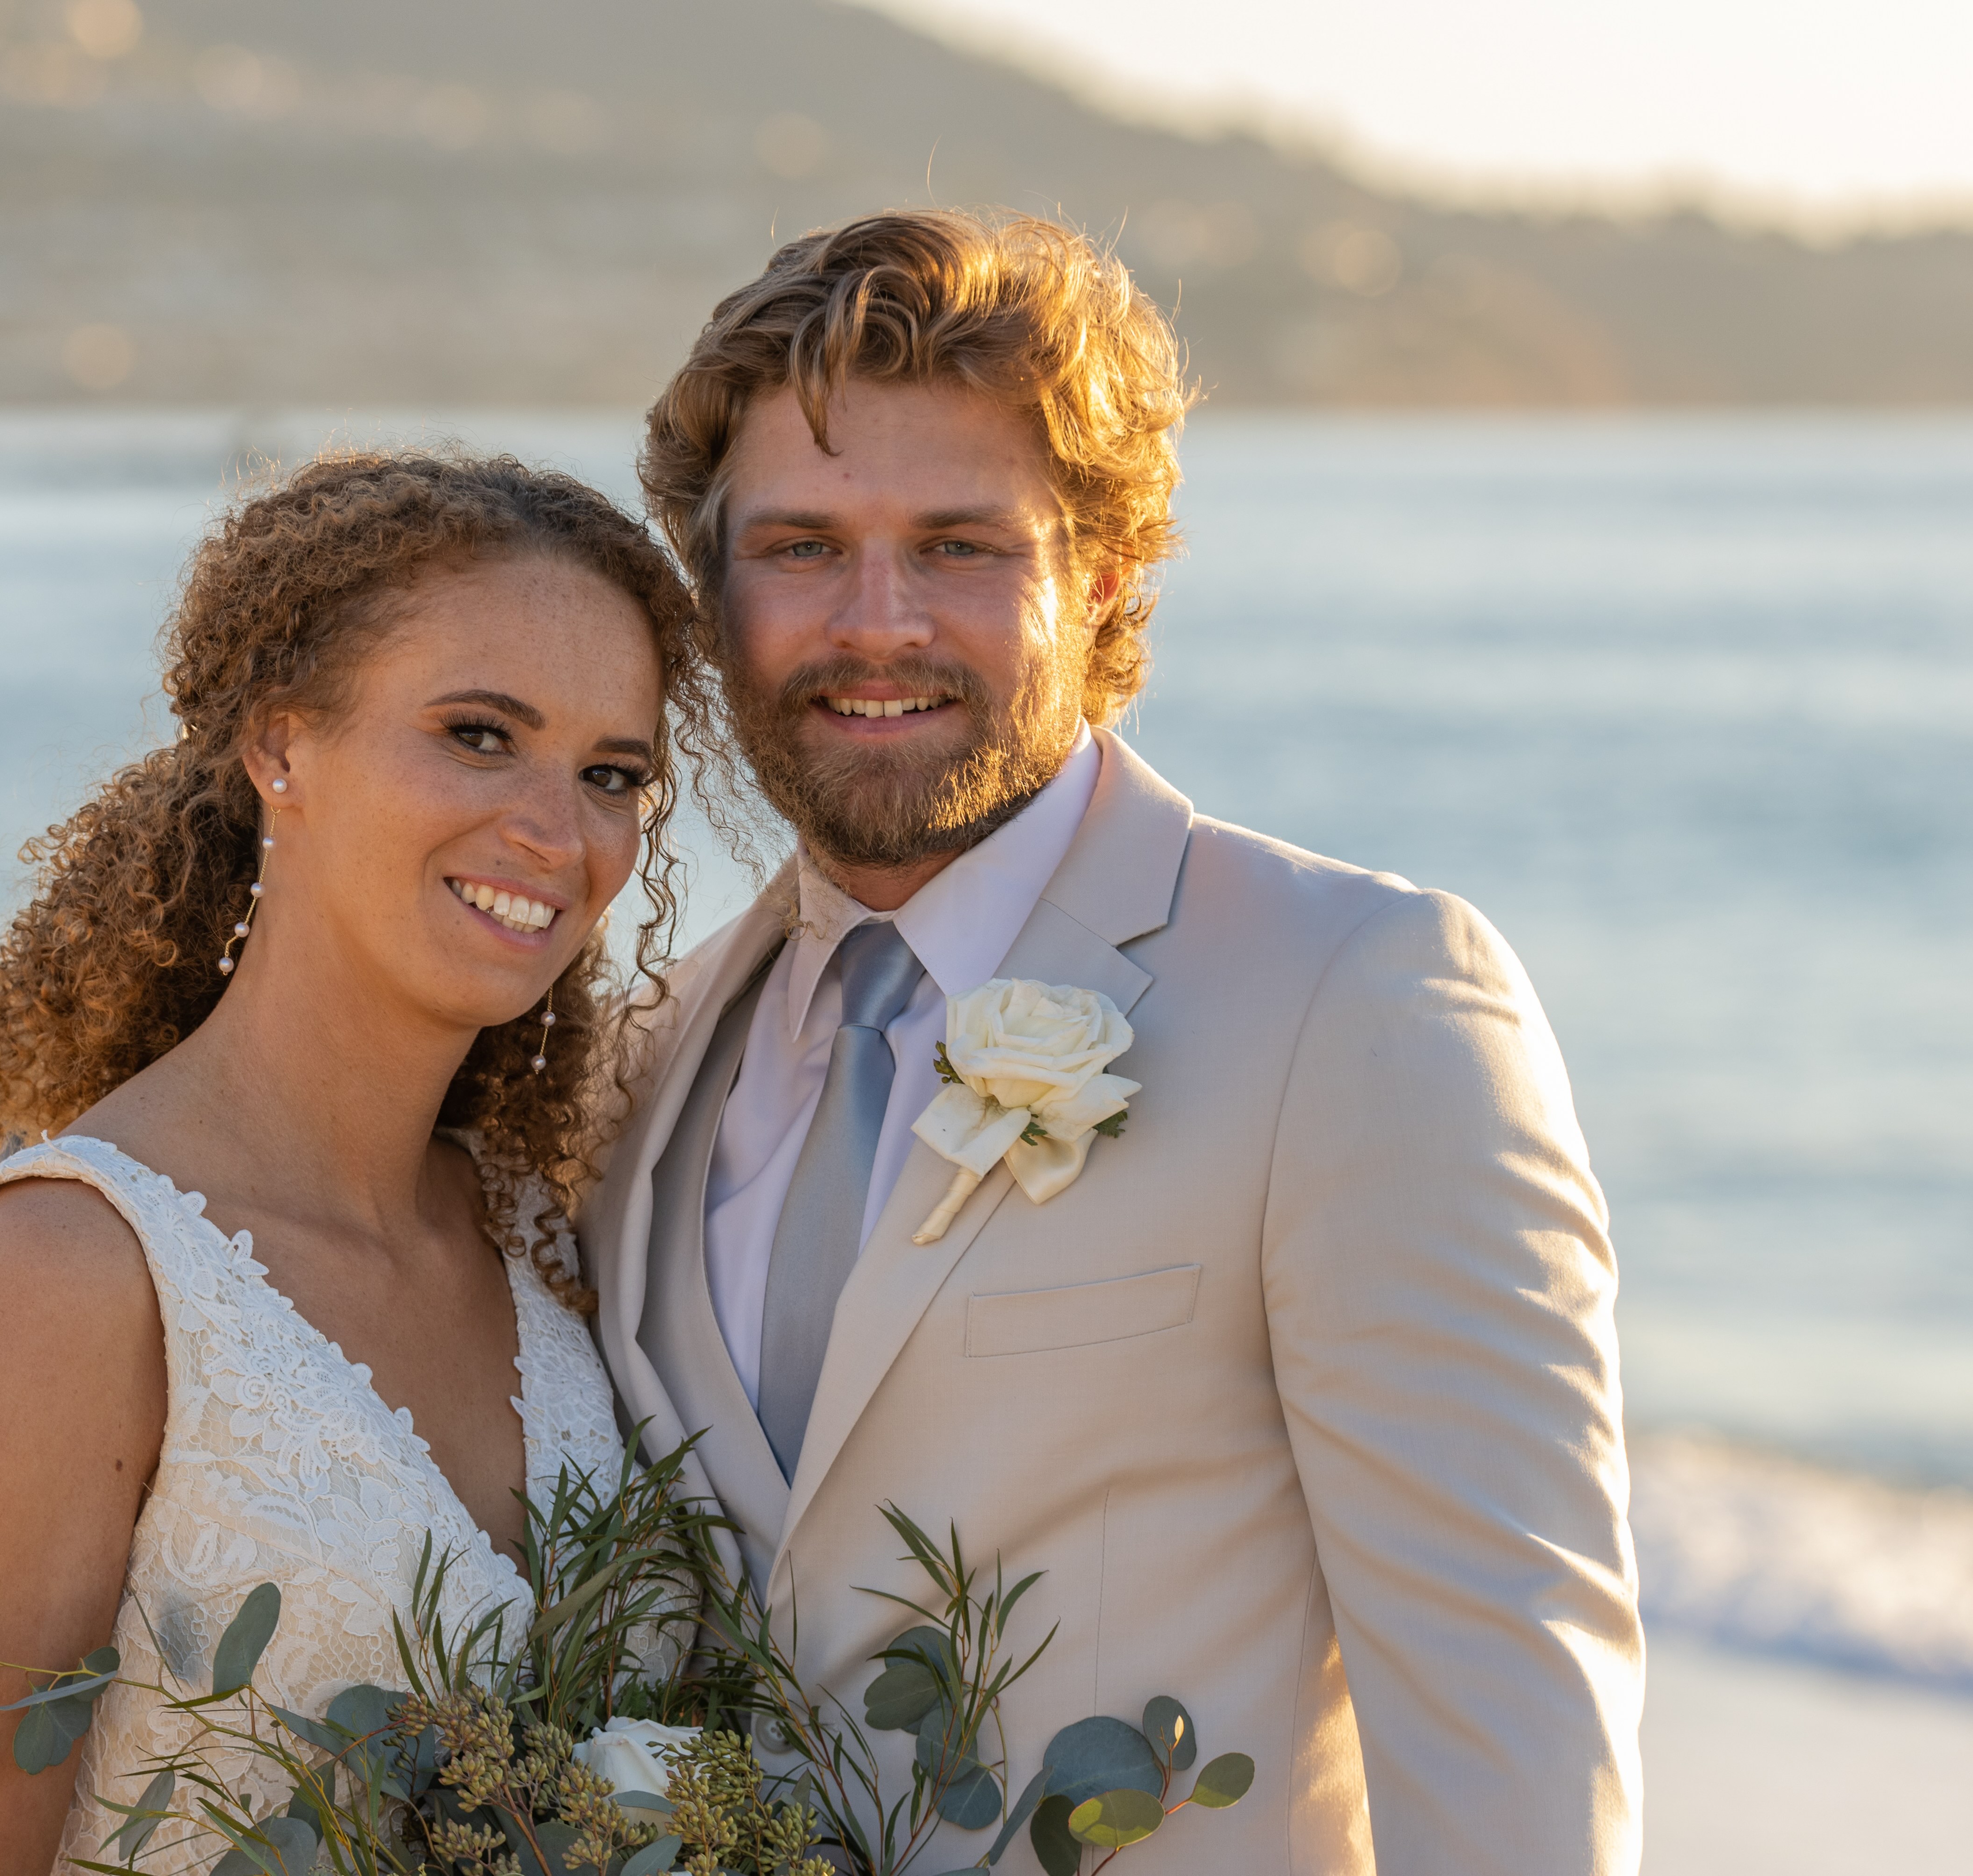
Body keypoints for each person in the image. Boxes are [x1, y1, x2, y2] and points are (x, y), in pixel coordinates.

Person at [581, 210, 1642, 1873]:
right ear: (713, 598)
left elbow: (1513, 1720)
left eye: (959, 546)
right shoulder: (642, 1056)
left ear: (1106, 577)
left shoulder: (1359, 999)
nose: (876, 622)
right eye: (799, 547)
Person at [0, 452, 719, 1872]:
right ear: (281, 747)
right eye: (481, 734)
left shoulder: (544, 1241)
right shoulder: (69, 1276)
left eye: (612, 775)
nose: (559, 833)